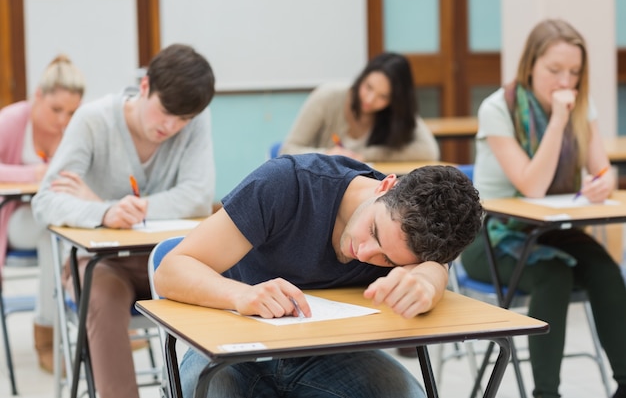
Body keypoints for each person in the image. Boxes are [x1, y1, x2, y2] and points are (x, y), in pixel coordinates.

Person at [154, 153, 483, 398]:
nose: (365, 252)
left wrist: (429, 277)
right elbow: (171, 270)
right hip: (234, 349)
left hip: (332, 355)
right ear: (385, 185)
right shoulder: (287, 184)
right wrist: (240, 295)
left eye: (387, 259)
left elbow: (435, 268)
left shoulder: (417, 237)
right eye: (373, 231)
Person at [31, 43, 215, 398]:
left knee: (225, 280)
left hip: (169, 258)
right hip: (103, 263)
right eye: (165, 112)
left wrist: (109, 204)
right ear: (144, 87)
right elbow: (46, 201)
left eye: (184, 120)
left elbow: (198, 196)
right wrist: (103, 214)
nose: (171, 126)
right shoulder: (93, 120)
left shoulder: (194, 118)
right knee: (100, 292)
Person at [460, 19, 626, 398]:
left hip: (549, 231)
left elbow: (602, 169)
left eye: (575, 72)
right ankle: (546, 394)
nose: (565, 83)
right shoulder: (497, 108)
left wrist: (604, 181)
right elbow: (531, 185)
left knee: (603, 268)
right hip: (490, 238)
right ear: (530, 65)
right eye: (554, 71)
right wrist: (559, 121)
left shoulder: (584, 106)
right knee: (554, 273)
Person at [0, 54, 84, 373]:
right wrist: (34, 174)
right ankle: (46, 336)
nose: (64, 120)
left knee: (63, 231)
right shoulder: (12, 121)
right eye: (56, 109)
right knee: (53, 231)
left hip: (53, 213)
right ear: (38, 96)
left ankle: (89, 320)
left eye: (72, 111)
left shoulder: (75, 129)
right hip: (12, 221)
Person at [279, 52, 440, 162]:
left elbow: (429, 151)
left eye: (383, 97)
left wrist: (365, 155)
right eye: (368, 87)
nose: (370, 100)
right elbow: (287, 150)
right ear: (361, 78)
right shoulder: (328, 97)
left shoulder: (395, 113)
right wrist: (327, 154)